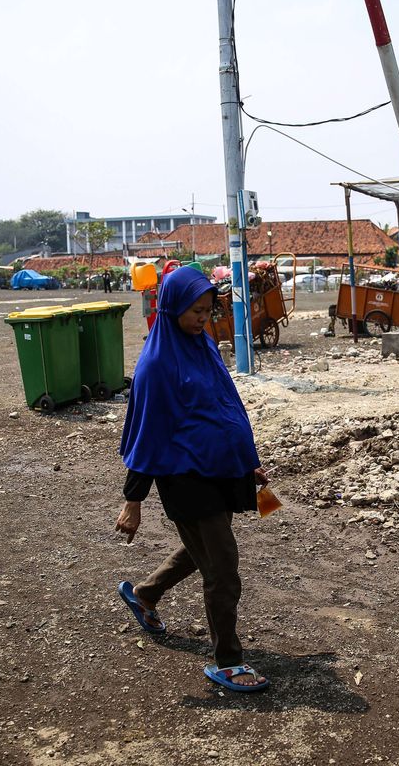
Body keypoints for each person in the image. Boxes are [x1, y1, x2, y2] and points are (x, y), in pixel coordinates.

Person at [114, 267, 272, 693]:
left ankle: (145, 593)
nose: (203, 318)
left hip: (220, 467)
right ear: (171, 307)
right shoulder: (156, 365)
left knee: (204, 545)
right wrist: (133, 501)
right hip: (185, 476)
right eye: (195, 310)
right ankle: (227, 660)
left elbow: (225, 404)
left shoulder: (201, 344)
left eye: (208, 309)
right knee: (222, 566)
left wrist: (246, 461)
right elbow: (147, 434)